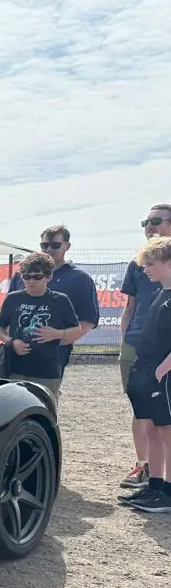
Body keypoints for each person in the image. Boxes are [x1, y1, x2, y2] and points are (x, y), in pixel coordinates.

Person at [118, 205, 171, 490]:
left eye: (155, 221)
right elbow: (130, 307)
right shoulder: (137, 265)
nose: (149, 227)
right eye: (145, 222)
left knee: (166, 417)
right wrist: (126, 341)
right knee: (142, 412)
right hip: (138, 347)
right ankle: (146, 468)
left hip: (166, 352)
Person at [7, 224, 99, 373]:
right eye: (44, 245)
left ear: (67, 246)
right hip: (18, 350)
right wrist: (12, 342)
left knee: (43, 393)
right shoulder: (21, 275)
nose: (49, 249)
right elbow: (8, 313)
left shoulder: (80, 279)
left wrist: (59, 340)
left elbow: (87, 321)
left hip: (53, 355)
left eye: (55, 245)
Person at [0, 251, 80, 403]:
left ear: (49, 277)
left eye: (37, 276)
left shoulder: (60, 300)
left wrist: (58, 334)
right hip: (15, 368)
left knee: (46, 412)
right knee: (13, 411)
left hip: (47, 370)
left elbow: (77, 330)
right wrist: (11, 342)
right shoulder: (13, 298)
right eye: (26, 276)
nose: (31, 281)